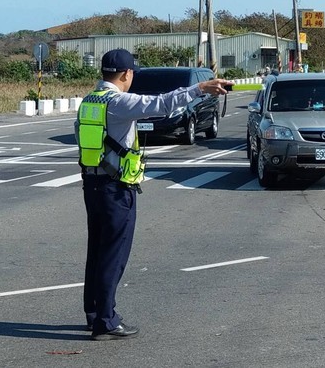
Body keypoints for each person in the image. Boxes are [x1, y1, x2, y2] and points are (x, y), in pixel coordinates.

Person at [75, 49, 233, 341]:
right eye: (132, 72)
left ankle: (94, 313)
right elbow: (160, 104)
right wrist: (199, 88)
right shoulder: (119, 102)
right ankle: (106, 321)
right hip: (115, 188)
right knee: (113, 253)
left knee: (97, 251)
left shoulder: (90, 100)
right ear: (126, 74)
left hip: (92, 184)